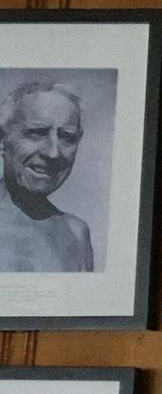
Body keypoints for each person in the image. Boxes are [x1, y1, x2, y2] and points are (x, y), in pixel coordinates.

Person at [0, 81, 93, 274]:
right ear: (3, 139)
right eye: (37, 133)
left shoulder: (76, 234)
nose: (53, 153)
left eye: (67, 137)